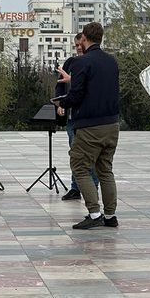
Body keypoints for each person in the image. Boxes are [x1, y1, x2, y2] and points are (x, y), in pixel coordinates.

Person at [53, 22, 120, 229]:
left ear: (84, 39)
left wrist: (62, 102)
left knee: (80, 167)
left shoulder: (82, 62)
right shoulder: (112, 62)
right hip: (112, 124)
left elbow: (78, 93)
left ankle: (94, 213)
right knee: (105, 170)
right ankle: (110, 216)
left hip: (90, 126)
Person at [56, 33, 100, 201]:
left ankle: (92, 187)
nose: (78, 48)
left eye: (80, 44)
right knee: (75, 154)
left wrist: (71, 80)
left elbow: (90, 88)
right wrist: (60, 104)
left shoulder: (93, 63)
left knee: (89, 156)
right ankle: (76, 187)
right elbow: (60, 85)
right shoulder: (70, 63)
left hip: (88, 118)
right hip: (72, 118)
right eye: (75, 46)